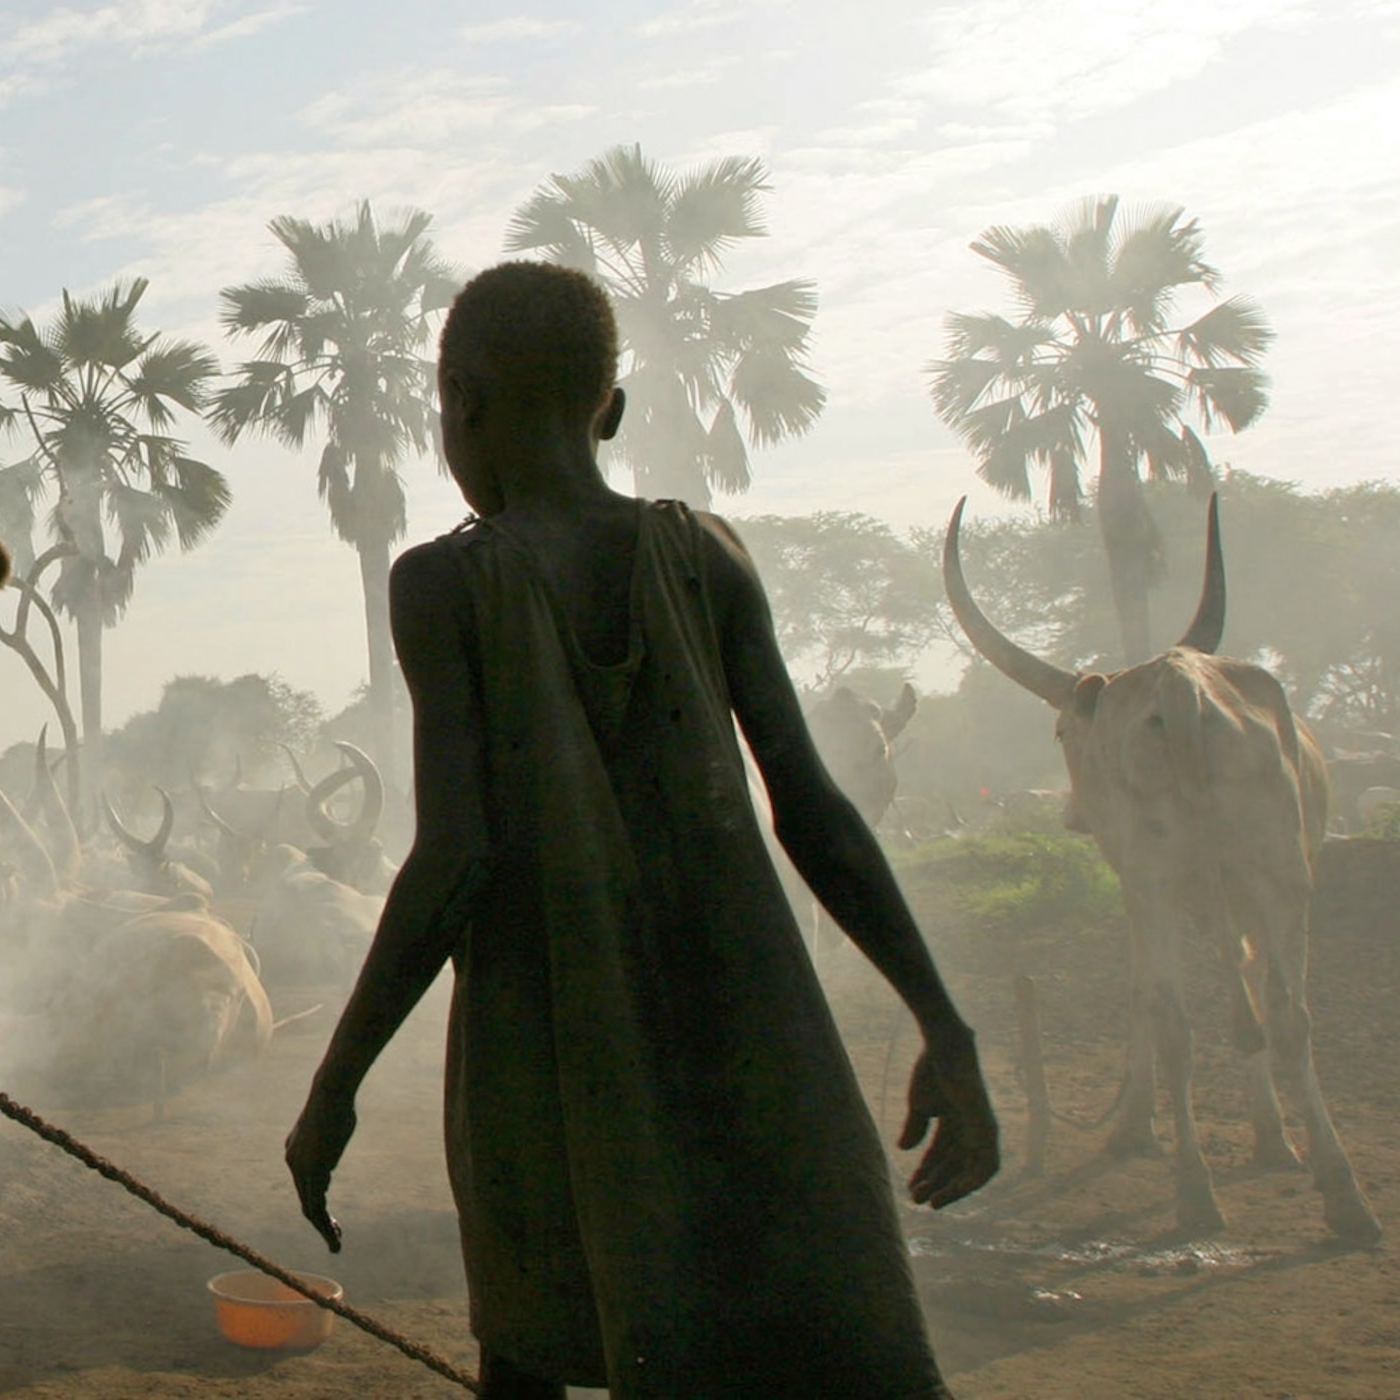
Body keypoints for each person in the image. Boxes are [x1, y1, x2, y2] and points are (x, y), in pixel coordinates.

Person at [283, 261, 997, 1400]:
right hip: (753, 1028)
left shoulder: (443, 584)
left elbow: (457, 854)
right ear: (608, 410)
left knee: (533, 1345)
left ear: (459, 399)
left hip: (548, 1056)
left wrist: (336, 1077)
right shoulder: (707, 554)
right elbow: (811, 806)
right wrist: (941, 1019)